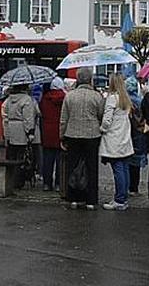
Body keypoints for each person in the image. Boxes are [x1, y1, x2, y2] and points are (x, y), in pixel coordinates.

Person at [60, 67, 105, 210]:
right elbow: (101, 115)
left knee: (73, 167)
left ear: (78, 79)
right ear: (90, 79)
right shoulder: (97, 96)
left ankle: (73, 198)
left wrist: (62, 136)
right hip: (92, 135)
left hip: (72, 134)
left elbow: (63, 118)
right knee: (91, 167)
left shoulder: (69, 96)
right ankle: (91, 200)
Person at [99, 73, 135, 211]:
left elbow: (107, 120)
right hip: (124, 138)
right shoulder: (125, 99)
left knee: (118, 169)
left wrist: (101, 129)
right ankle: (123, 198)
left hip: (114, 138)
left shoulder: (112, 99)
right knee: (124, 169)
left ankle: (119, 199)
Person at [2, 83, 37, 189]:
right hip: (21, 129)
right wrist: (30, 132)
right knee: (21, 156)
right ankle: (18, 180)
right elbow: (28, 118)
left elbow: (5, 115)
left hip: (11, 128)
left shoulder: (8, 100)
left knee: (11, 155)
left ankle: (10, 179)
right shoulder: (27, 100)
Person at [40, 76, 66, 191]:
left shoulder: (45, 98)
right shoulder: (65, 98)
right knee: (60, 160)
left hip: (47, 131)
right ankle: (58, 184)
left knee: (47, 159)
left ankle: (47, 183)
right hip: (60, 131)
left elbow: (42, 112)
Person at [125, 76, 147, 195]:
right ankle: (134, 187)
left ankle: (126, 185)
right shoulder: (139, 101)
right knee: (136, 163)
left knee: (126, 161)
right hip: (138, 133)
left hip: (126, 132)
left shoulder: (124, 101)